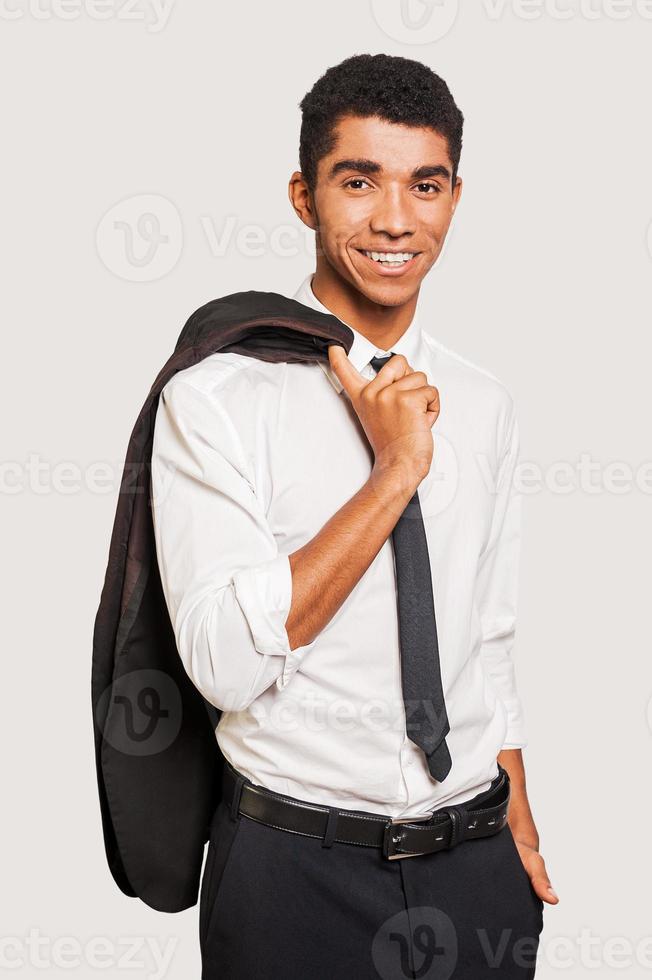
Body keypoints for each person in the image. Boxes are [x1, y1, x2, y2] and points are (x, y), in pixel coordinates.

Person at [150, 52, 557, 979]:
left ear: (455, 198)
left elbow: (487, 632)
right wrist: (394, 471)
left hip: (478, 865)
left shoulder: (485, 403)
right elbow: (222, 663)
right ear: (304, 195)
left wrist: (520, 822)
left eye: (425, 184)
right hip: (295, 873)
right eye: (359, 180)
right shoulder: (218, 396)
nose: (394, 219)